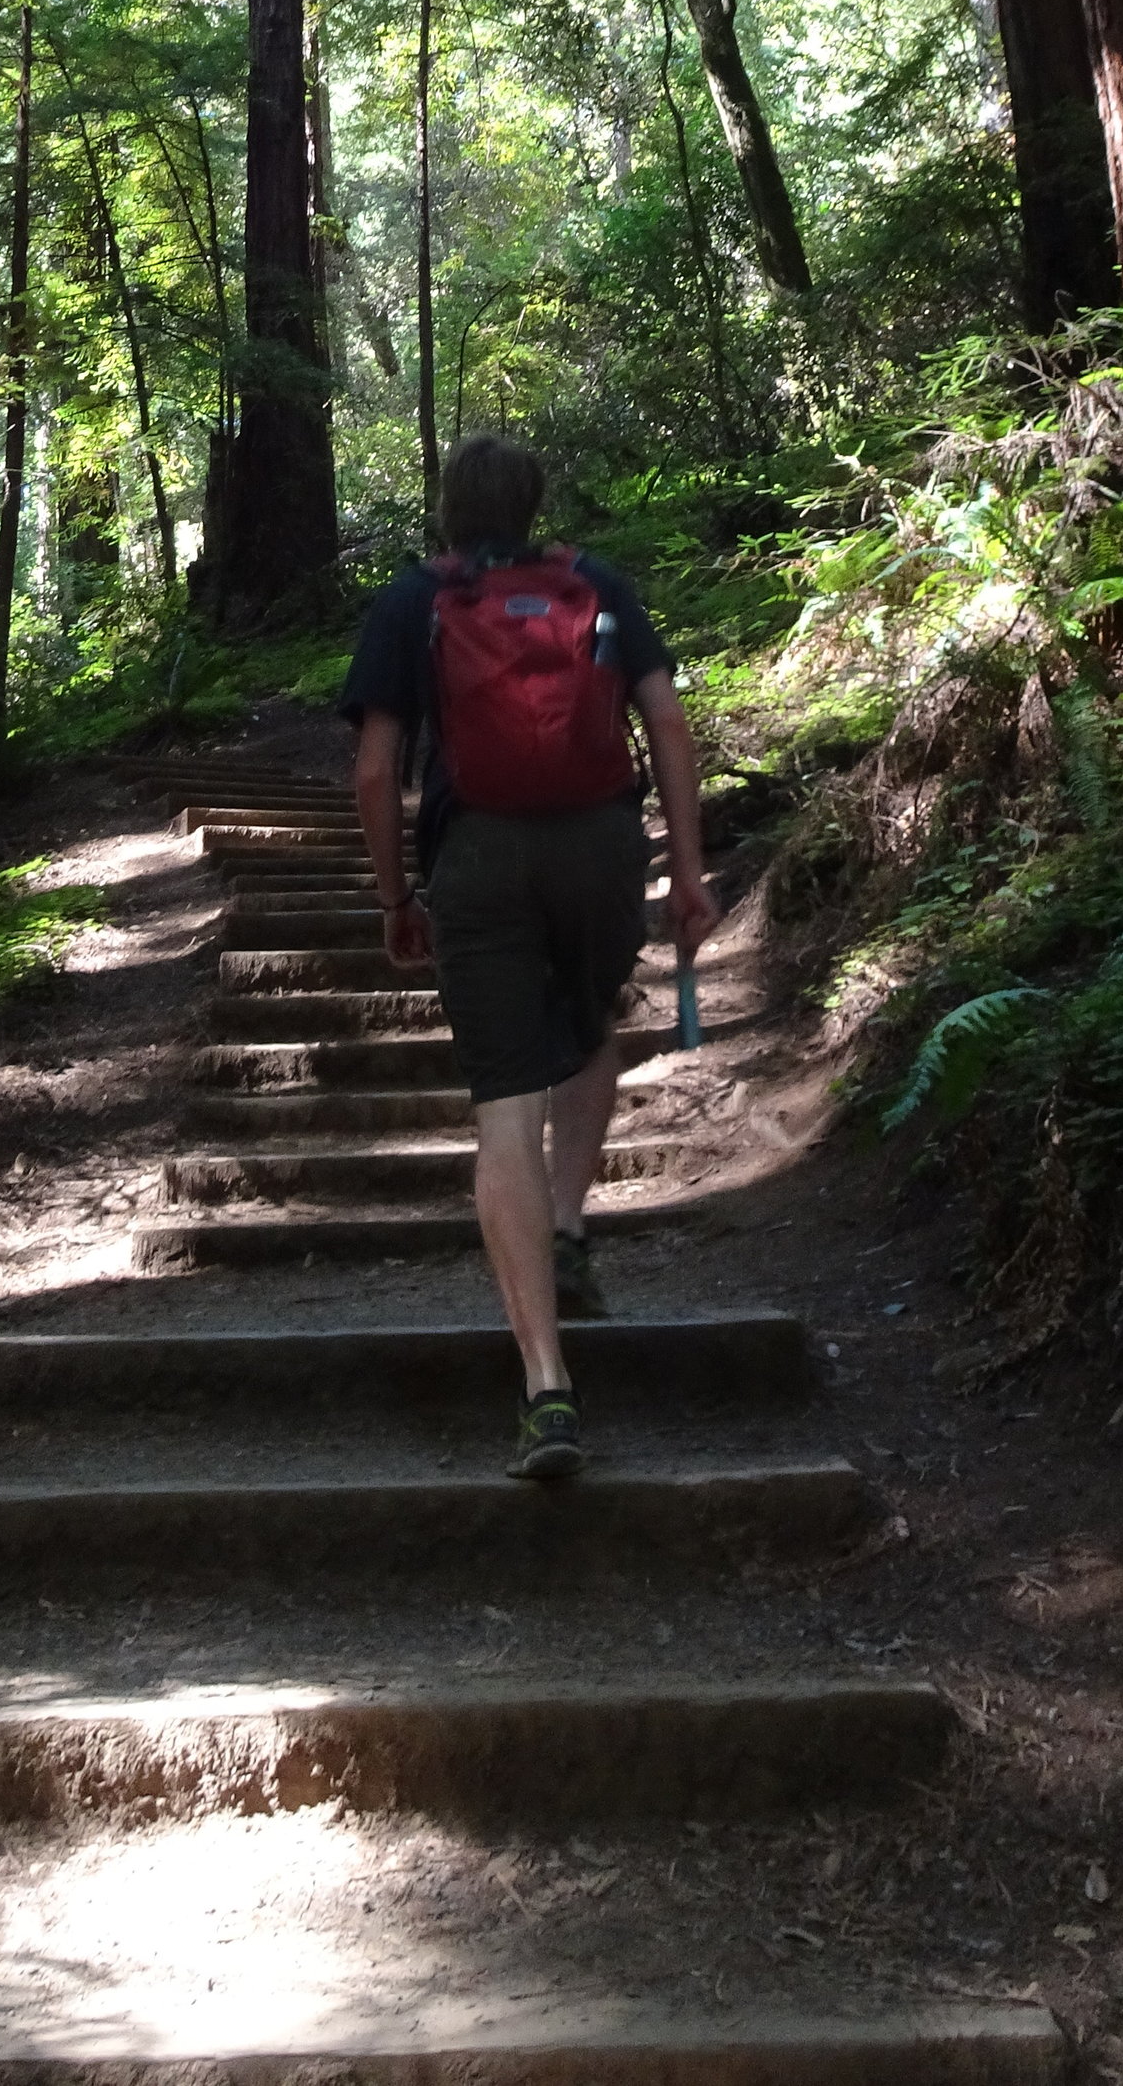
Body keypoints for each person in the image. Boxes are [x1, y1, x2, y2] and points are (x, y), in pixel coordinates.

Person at [342, 432, 717, 1480]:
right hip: (601, 840)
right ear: (535, 499)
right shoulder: (593, 583)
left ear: (449, 511)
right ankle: (564, 1223)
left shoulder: (414, 599)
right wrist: (686, 873)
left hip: (479, 857)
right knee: (589, 1016)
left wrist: (393, 896)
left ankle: (546, 1386)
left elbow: (375, 770)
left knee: (505, 1101)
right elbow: (670, 725)